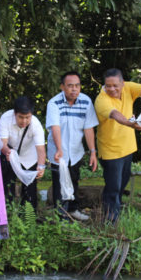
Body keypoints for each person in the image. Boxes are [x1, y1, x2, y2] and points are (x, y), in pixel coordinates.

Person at [94, 68, 141, 223]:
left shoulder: (128, 88)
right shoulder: (101, 100)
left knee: (122, 183)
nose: (111, 89)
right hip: (111, 151)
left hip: (127, 149)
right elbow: (116, 115)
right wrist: (130, 123)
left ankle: (114, 209)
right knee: (113, 187)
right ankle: (110, 220)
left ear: (122, 83)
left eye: (115, 85)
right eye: (108, 85)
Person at [46, 71, 98, 221]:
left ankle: (74, 209)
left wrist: (92, 152)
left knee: (74, 180)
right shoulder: (54, 103)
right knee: (60, 183)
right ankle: (61, 215)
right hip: (58, 152)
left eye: (77, 85)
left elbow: (88, 128)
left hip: (76, 151)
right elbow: (55, 127)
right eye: (70, 86)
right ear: (62, 87)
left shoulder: (86, 102)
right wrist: (59, 149)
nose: (74, 89)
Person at [0, 96, 46, 210]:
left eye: (27, 117)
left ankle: (28, 218)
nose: (24, 121)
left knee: (30, 189)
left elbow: (41, 149)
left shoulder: (35, 124)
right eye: (20, 117)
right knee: (7, 185)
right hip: (9, 154)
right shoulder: (5, 119)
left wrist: (41, 166)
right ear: (14, 113)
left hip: (29, 155)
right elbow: (2, 144)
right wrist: (8, 152)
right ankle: (8, 214)